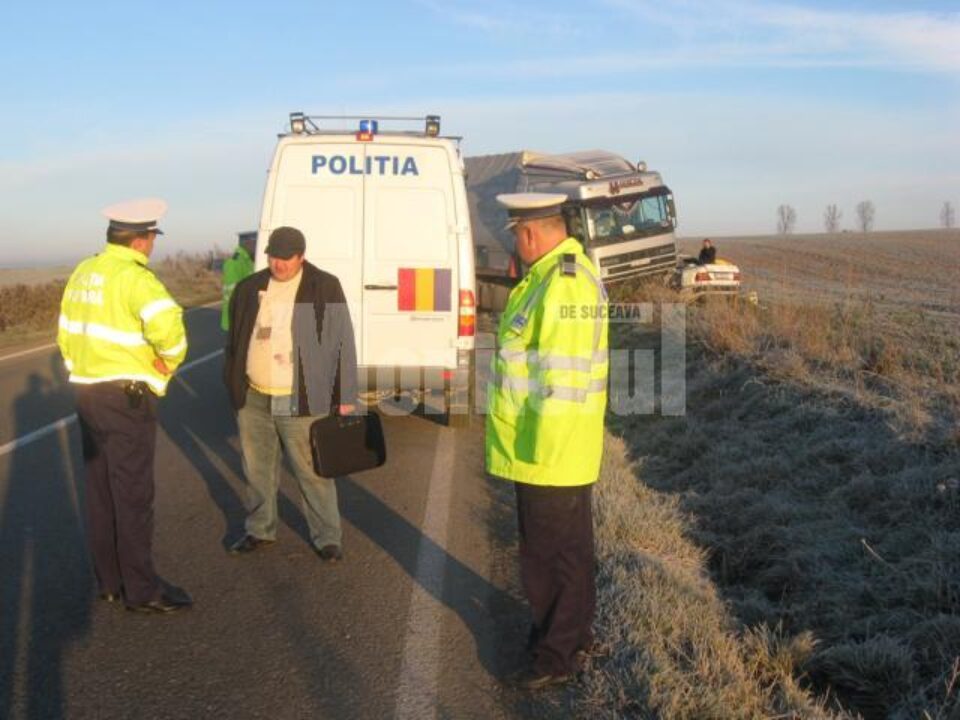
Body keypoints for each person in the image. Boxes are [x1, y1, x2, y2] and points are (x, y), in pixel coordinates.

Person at [486, 193, 609, 690]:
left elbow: (561, 377)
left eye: (516, 232)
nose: (515, 240)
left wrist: (540, 451)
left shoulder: (561, 287)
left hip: (549, 451)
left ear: (531, 232)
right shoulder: (549, 280)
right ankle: (570, 639)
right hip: (549, 449)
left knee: (549, 557)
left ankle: (554, 657)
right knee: (565, 553)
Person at [58, 198, 192, 613]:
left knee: (100, 489)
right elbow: (170, 331)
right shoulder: (137, 279)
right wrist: (165, 364)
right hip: (125, 397)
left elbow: (65, 331)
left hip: (87, 392)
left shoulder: (85, 271)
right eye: (151, 238)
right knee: (132, 493)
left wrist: (80, 369)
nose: (151, 245)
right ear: (141, 240)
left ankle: (111, 582)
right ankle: (142, 589)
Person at [223, 226, 358, 562]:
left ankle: (328, 537)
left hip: (301, 396)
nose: (278, 264)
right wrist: (232, 381)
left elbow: (343, 340)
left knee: (311, 471)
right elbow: (235, 340)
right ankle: (260, 530)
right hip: (254, 397)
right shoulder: (249, 286)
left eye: (286, 258)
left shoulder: (323, 285)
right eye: (273, 256)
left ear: (301, 257)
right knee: (257, 470)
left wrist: (346, 392)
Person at [220, 231, 256, 331]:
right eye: (255, 243)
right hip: (236, 321)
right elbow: (232, 294)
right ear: (248, 243)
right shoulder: (234, 263)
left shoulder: (249, 260)